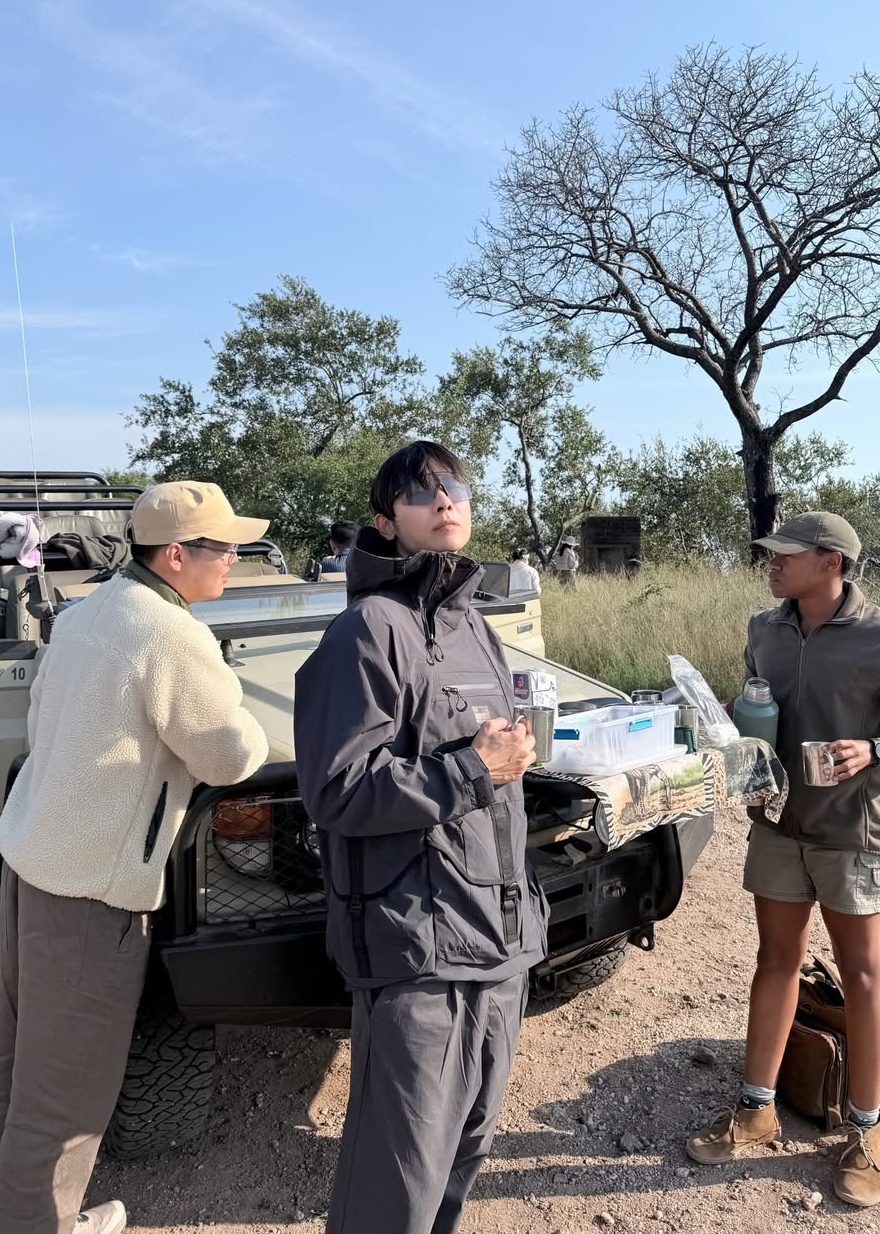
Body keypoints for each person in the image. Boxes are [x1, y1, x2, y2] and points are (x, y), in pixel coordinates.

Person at [0, 482, 272, 1234]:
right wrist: (244, 705)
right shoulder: (172, 634)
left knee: (26, 1068)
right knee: (67, 1099)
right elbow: (229, 754)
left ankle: (39, 1213)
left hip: (34, 863)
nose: (235, 559)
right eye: (223, 547)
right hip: (89, 890)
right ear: (176, 555)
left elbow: (39, 716)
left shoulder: (88, 612)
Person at [295, 440, 548, 1234]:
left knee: (464, 1153)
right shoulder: (368, 630)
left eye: (456, 487)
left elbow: (489, 760)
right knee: (396, 1183)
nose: (445, 502)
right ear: (385, 519)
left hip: (499, 940)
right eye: (422, 492)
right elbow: (337, 791)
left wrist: (505, 761)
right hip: (418, 953)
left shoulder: (472, 622)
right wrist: (476, 767)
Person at [685, 512, 880, 1208]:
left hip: (853, 832)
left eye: (786, 555)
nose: (770, 564)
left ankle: (867, 1132)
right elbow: (756, 704)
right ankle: (757, 1108)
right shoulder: (764, 630)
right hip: (779, 820)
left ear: (832, 562)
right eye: (770, 554)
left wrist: (874, 750)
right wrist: (717, 719)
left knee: (862, 973)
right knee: (775, 960)